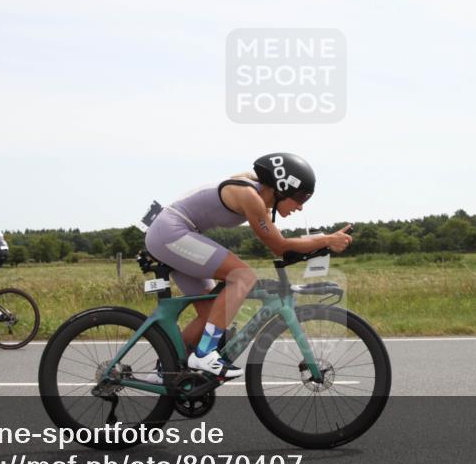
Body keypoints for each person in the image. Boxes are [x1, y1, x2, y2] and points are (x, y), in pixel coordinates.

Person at [143, 153, 352, 379]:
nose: (300, 207)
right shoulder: (250, 196)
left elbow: (283, 244)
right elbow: (279, 246)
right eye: (300, 197)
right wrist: (327, 240)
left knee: (211, 314)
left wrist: (322, 243)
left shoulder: (258, 199)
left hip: (175, 233)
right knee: (242, 276)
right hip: (171, 232)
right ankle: (204, 354)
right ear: (282, 188)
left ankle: (166, 371)